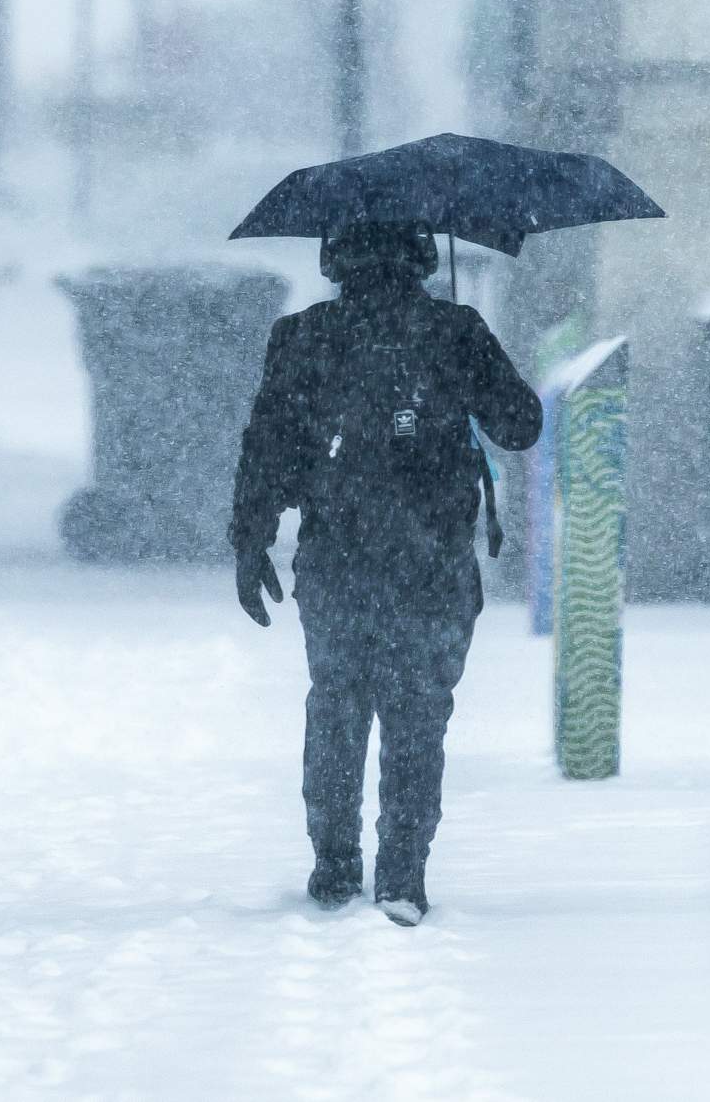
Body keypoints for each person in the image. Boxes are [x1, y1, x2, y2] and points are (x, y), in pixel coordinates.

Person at [230, 221, 543, 926]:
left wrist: (250, 541)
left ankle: (335, 864)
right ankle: (402, 871)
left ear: (334, 258)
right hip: (430, 561)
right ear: (422, 258)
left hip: (337, 558)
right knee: (417, 712)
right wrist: (469, 359)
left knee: (337, 703)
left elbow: (266, 451)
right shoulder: (454, 330)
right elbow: (521, 425)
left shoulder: (303, 337)